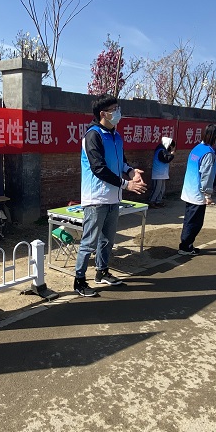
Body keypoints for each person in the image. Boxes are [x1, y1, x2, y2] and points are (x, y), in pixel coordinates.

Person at [73, 94, 147, 297]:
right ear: (103, 114)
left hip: (114, 197)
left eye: (118, 108)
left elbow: (122, 162)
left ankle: (102, 271)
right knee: (89, 242)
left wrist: (131, 172)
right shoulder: (93, 135)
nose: (118, 112)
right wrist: (127, 184)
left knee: (107, 240)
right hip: (96, 198)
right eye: (114, 109)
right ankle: (79, 280)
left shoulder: (116, 135)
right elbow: (99, 168)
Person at [178, 124, 216, 256]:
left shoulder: (197, 148)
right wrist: (207, 195)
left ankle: (186, 245)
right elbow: (207, 176)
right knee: (195, 223)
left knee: (189, 220)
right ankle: (185, 247)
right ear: (215, 136)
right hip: (197, 193)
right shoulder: (208, 153)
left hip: (189, 190)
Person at [148, 136, 176, 208]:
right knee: (157, 189)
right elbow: (166, 159)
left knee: (162, 189)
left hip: (162, 173)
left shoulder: (163, 150)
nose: (170, 148)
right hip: (158, 173)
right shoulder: (160, 150)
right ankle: (152, 201)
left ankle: (158, 201)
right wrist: (172, 154)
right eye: (170, 146)